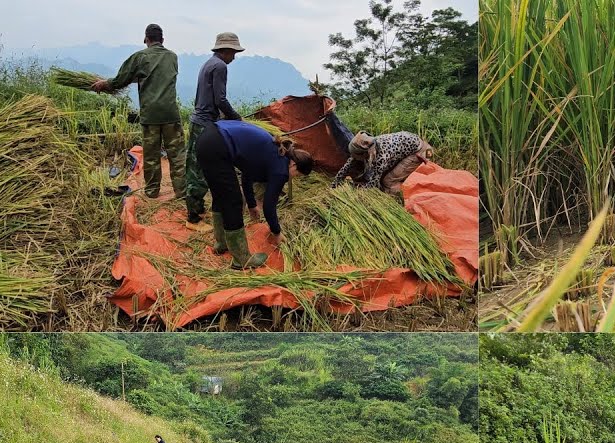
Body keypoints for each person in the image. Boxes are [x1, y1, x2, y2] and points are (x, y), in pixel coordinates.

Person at [194, 120, 315, 269]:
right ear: (294, 165)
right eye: (297, 175)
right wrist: (277, 232)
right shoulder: (281, 169)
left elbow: (247, 173)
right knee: (234, 201)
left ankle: (222, 244)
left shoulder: (277, 154)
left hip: (208, 138)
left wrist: (252, 205)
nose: (292, 178)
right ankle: (241, 259)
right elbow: (269, 206)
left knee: (221, 194)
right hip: (218, 145)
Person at [92, 24, 185, 199]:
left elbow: (121, 79)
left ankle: (151, 192)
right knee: (177, 155)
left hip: (150, 115)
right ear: (162, 40)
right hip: (171, 114)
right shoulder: (173, 57)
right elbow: (157, 76)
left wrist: (104, 84)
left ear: (146, 39)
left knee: (151, 156)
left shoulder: (140, 57)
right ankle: (182, 192)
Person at [185, 32, 246, 230]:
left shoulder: (209, 63)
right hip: (205, 123)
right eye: (233, 52)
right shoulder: (220, 66)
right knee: (200, 170)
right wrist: (236, 117)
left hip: (198, 120)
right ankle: (192, 218)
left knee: (193, 166)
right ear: (225, 50)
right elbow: (220, 99)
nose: (234, 57)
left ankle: (197, 207)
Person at [331, 131, 433, 194]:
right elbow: (348, 164)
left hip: (421, 152)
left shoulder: (381, 156)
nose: (355, 159)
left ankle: (401, 197)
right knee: (387, 174)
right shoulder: (367, 144)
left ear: (365, 153)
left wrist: (358, 194)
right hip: (410, 144)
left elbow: (373, 184)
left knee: (388, 182)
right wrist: (335, 182)